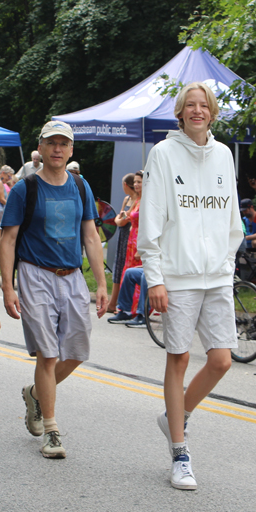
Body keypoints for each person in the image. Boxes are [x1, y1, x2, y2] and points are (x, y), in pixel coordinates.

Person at [138, 82, 243, 490]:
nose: (197, 111)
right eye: (190, 106)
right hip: (177, 278)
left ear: (212, 113)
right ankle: (180, 453)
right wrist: (155, 279)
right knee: (177, 360)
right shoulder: (162, 154)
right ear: (180, 113)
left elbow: (231, 220)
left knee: (221, 360)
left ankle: (173, 417)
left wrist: (227, 263)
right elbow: (151, 220)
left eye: (204, 106)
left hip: (216, 276)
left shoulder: (223, 155)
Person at [0, 120, 108, 459]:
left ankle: (35, 393)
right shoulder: (25, 189)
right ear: (41, 148)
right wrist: (8, 287)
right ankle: (51, 430)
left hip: (73, 277)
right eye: (52, 143)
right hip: (35, 275)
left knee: (76, 351)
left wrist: (102, 282)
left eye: (64, 144)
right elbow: (8, 240)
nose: (58, 149)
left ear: (71, 150)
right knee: (48, 353)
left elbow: (91, 235)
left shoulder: (80, 186)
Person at [108, 173, 136, 313]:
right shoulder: (127, 199)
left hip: (130, 236)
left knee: (126, 267)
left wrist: (122, 219)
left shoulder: (137, 200)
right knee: (118, 266)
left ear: (125, 185)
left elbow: (121, 219)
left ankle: (120, 304)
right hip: (123, 235)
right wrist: (122, 219)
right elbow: (119, 220)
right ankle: (113, 302)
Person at [120, 171, 143, 313]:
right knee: (128, 272)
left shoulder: (147, 201)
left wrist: (141, 248)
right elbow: (125, 217)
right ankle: (126, 307)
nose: (135, 184)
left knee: (137, 274)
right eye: (134, 182)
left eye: (139, 182)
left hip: (139, 240)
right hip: (131, 239)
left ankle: (137, 310)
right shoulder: (136, 200)